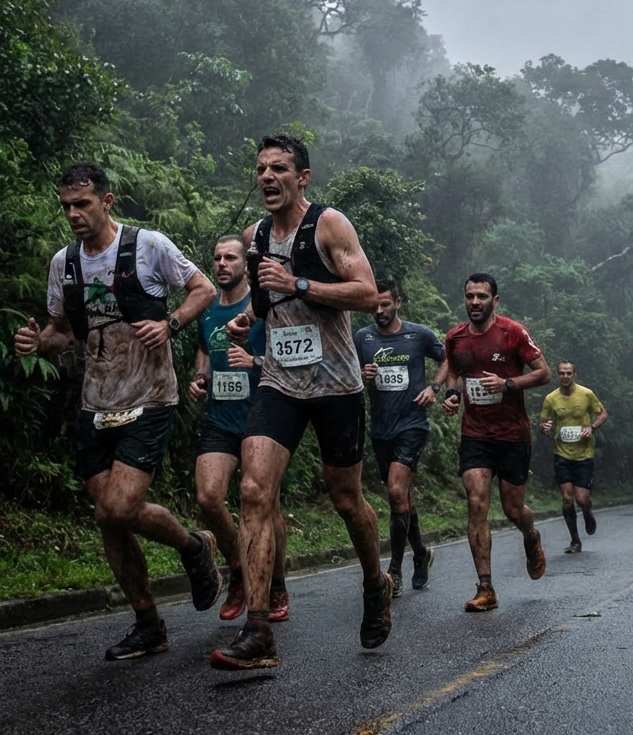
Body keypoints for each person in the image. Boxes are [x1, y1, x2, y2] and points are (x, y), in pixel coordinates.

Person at [13, 162, 220, 661]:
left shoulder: (148, 246)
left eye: (82, 203)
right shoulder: (64, 263)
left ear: (106, 201)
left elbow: (204, 289)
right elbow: (63, 333)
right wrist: (37, 343)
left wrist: (169, 323)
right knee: (109, 520)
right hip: (96, 401)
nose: (73, 214)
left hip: (150, 396)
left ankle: (194, 547)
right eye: (66, 205)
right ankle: (148, 623)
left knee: (119, 507)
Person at [209, 135, 387, 671]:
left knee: (346, 499)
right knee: (253, 489)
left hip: (335, 384)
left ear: (302, 177)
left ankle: (375, 584)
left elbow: (367, 293)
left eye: (279, 168)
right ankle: (259, 631)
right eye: (261, 168)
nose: (267, 177)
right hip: (280, 382)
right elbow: (265, 301)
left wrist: (300, 281)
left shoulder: (329, 225)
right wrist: (249, 319)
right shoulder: (255, 235)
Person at [188, 234, 288, 622]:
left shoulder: (262, 306)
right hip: (220, 418)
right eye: (216, 259)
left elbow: (288, 355)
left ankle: (276, 585)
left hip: (261, 418)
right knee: (208, 497)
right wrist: (200, 376)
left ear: (245, 265)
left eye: (230, 257)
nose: (222, 264)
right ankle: (239, 571)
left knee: (267, 506)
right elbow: (204, 349)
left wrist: (255, 361)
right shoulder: (207, 308)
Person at [441, 273, 551, 612]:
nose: (475, 302)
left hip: (513, 435)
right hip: (475, 434)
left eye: (482, 297)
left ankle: (530, 535)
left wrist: (507, 384)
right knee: (476, 501)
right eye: (470, 296)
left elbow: (543, 373)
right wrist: (451, 395)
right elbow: (457, 374)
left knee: (513, 509)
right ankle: (485, 588)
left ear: (495, 301)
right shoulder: (455, 337)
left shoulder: (512, 332)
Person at [355, 280, 447, 597]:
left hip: (412, 424)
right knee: (401, 498)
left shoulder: (418, 335)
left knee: (396, 491)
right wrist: (363, 377)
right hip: (381, 428)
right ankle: (420, 554)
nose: (379, 311)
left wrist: (434, 387)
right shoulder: (362, 338)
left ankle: (393, 572)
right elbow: (352, 376)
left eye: (385, 304)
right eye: (374, 306)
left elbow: (449, 358)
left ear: (398, 302)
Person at [539, 361, 608, 553]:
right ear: (558, 375)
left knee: (582, 499)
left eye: (569, 373)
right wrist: (545, 428)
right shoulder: (551, 399)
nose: (565, 376)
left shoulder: (586, 394)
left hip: (584, 454)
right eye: (562, 373)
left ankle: (587, 510)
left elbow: (603, 413)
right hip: (561, 454)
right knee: (567, 499)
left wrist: (591, 428)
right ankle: (575, 540)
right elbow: (543, 423)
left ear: (575, 374)